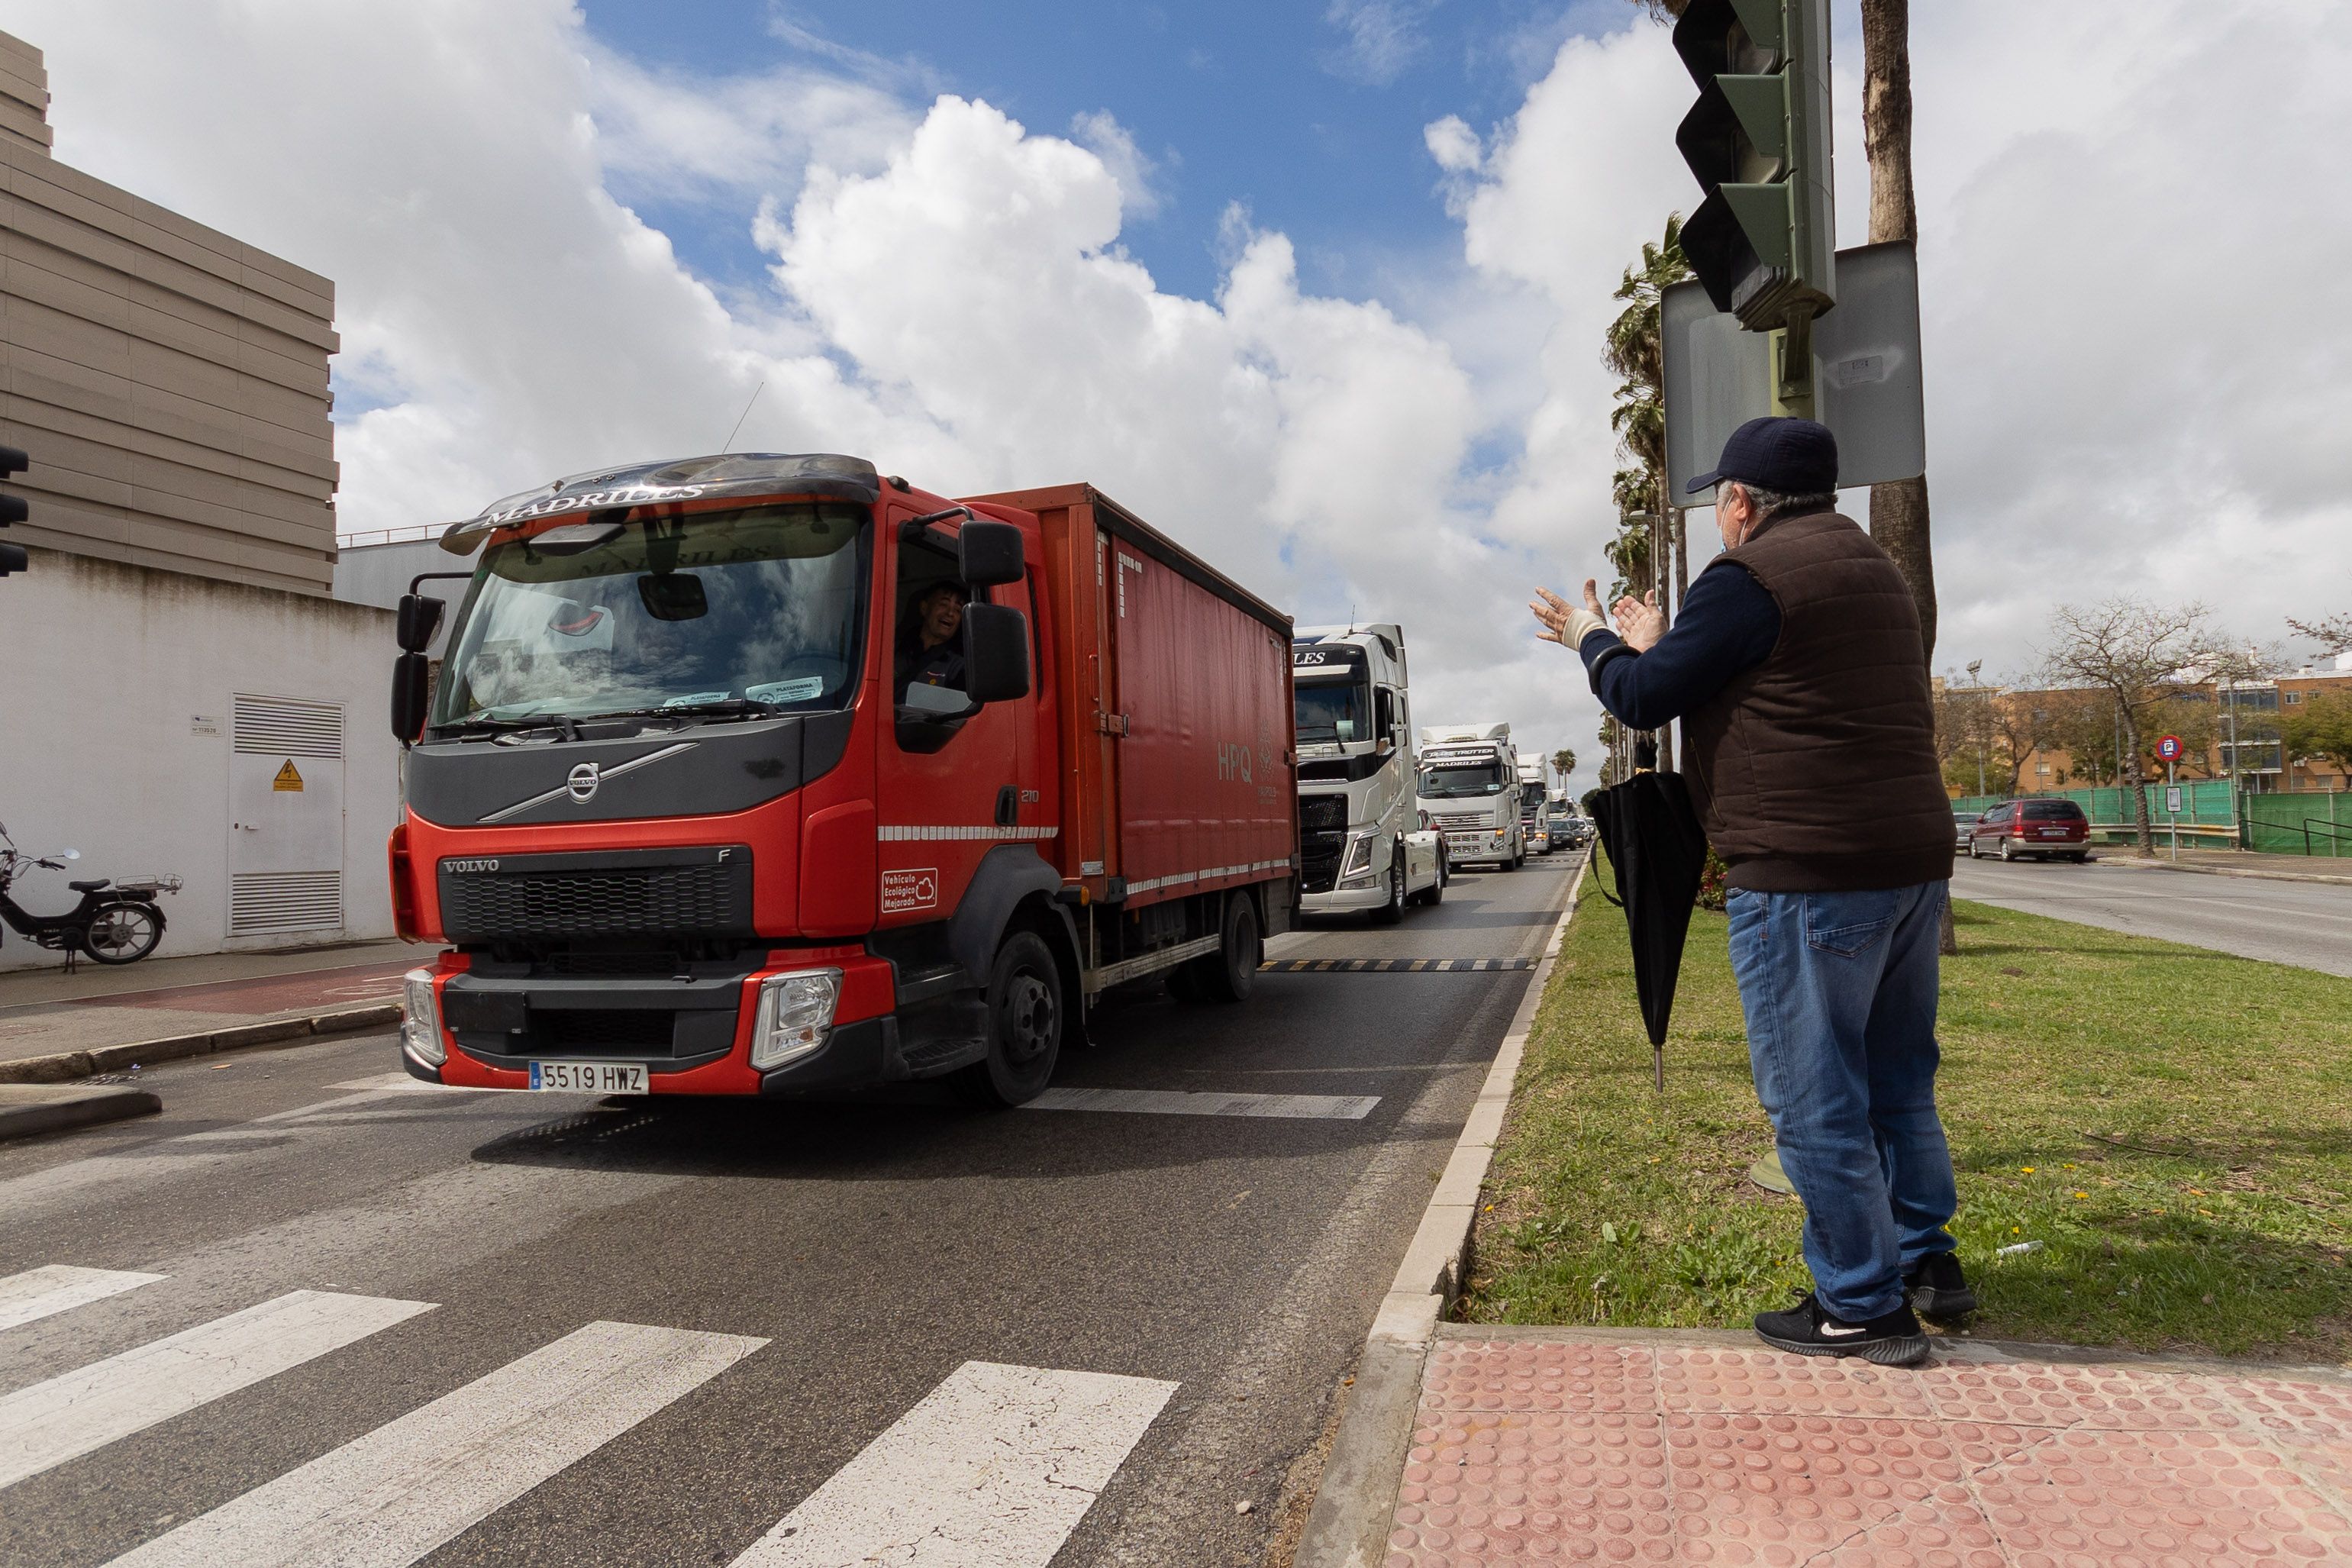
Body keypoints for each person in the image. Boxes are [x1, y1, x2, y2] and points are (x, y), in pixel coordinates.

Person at [1530, 416, 1963, 1366]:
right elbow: (1737, 672)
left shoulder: (1750, 575)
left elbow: (1642, 697)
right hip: (1913, 868)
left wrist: (1589, 633)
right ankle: (1931, 1260)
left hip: (1808, 875)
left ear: (1738, 503)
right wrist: (1662, 640)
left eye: (1720, 505)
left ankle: (1860, 1302)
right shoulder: (1872, 568)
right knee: (1899, 1078)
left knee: (1816, 1097)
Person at [895, 579, 968, 703]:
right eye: (944, 604)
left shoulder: (960, 667)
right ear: (924, 608)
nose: (950, 613)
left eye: (957, 610)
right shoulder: (892, 650)